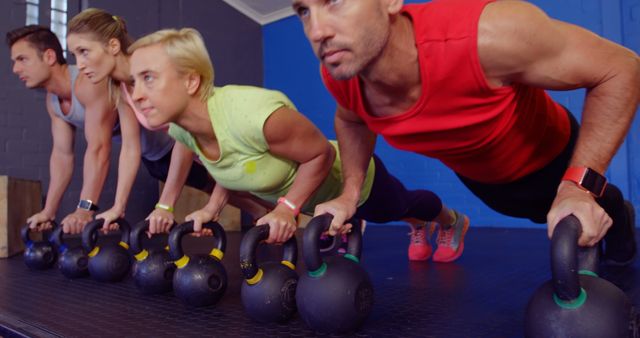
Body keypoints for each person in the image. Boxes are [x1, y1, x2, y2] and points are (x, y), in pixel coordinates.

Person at [293, 0, 640, 265]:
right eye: (303, 11)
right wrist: (349, 194)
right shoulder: (342, 75)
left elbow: (620, 69)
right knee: (535, 213)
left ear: (391, 1)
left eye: (334, 0)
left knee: (586, 226)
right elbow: (352, 121)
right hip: (485, 183)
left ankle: (616, 211)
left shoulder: (491, 36)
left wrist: (579, 187)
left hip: (554, 157)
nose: (316, 31)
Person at [126, 27, 469, 262]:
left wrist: (287, 208)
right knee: (399, 213)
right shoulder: (186, 130)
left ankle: (450, 220)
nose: (136, 95)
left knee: (399, 207)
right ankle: (417, 226)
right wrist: (208, 209)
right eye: (133, 82)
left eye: (149, 78)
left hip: (349, 179)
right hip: (312, 202)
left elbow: (321, 153)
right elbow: (225, 166)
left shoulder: (252, 114)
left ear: (190, 80)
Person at [65, 9, 269, 234]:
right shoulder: (121, 88)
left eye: (83, 52)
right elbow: (131, 149)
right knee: (243, 193)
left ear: (113, 46)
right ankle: (271, 216)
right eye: (75, 55)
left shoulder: (149, 69)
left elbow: (186, 134)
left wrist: (165, 205)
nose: (80, 65)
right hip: (197, 147)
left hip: (218, 137)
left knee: (259, 188)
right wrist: (118, 206)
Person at [7, 25, 118, 233]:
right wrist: (49, 211)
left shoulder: (88, 83)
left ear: (49, 56)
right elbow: (62, 156)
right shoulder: (53, 101)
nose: (15, 69)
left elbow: (99, 148)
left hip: (169, 144)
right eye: (14, 62)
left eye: (22, 59)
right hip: (151, 157)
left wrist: (85, 209)